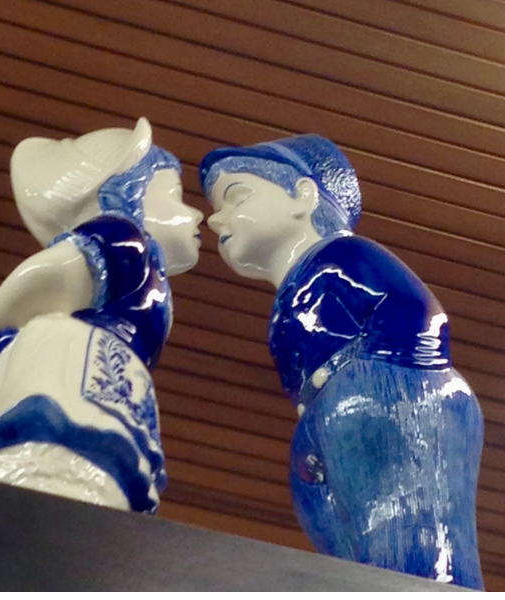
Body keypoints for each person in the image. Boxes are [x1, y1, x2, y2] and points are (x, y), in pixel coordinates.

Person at [200, 135, 484, 589]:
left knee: (405, 537)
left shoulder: (344, 256)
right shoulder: (290, 295)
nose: (216, 218)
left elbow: (421, 315)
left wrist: (361, 377)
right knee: (354, 557)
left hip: (391, 392)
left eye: (237, 196)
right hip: (330, 418)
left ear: (303, 195)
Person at [0, 118, 203, 524]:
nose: (197, 214)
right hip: (76, 354)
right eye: (175, 196)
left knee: (100, 463)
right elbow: (58, 269)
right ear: (127, 196)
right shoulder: (122, 236)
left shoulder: (146, 260)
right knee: (66, 441)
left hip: (112, 366)